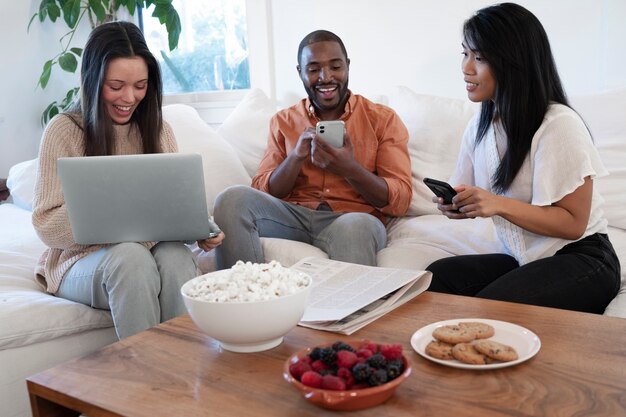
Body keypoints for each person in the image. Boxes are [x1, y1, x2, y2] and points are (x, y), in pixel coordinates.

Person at [31, 21, 224, 339]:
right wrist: (117, 211)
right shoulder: (63, 130)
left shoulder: (159, 130)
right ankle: (144, 383)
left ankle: (185, 372)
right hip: (80, 261)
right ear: (93, 81)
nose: (129, 97)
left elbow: (168, 208)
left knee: (176, 256)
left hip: (148, 253)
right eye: (115, 85)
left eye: (140, 85)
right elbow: (46, 224)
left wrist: (196, 226)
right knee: (130, 257)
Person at [426, 3, 620, 313]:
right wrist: (456, 205)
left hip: (583, 258)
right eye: (465, 53)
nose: (466, 68)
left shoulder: (558, 124)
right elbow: (467, 190)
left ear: (513, 62)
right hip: (526, 258)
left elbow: (573, 223)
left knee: (489, 310)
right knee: (435, 278)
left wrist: (497, 203)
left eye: (480, 57)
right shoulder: (480, 125)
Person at [214, 30, 412, 269]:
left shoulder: (382, 119)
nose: (325, 77)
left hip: (349, 219)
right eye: (314, 69)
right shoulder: (284, 120)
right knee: (231, 199)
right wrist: (295, 158)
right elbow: (263, 190)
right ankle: (243, 301)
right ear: (300, 72)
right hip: (292, 216)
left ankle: (353, 307)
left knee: (358, 226)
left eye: (335, 67)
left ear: (347, 66)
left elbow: (399, 200)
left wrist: (349, 168)